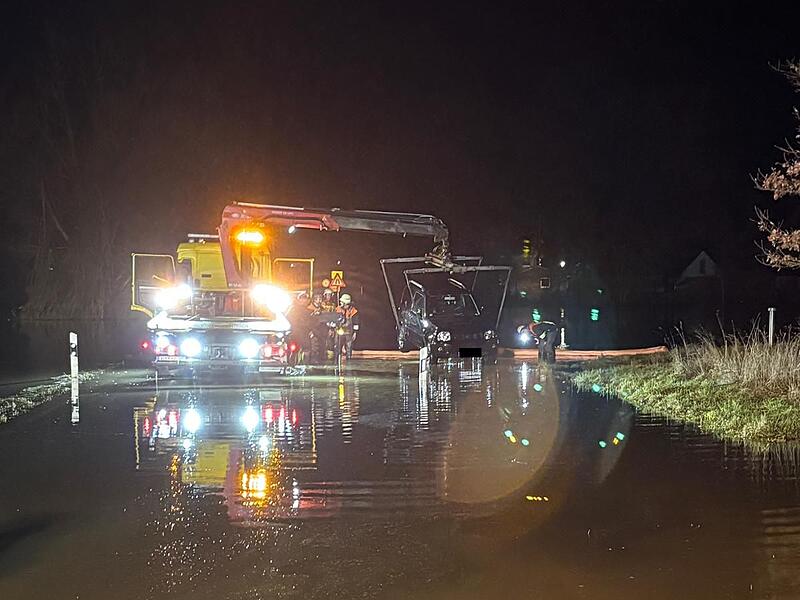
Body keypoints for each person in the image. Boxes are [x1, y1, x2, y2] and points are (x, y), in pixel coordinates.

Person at [334, 293, 360, 360]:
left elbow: (356, 323)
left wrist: (355, 333)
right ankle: (337, 360)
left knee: (349, 346)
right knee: (337, 346)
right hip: (339, 331)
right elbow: (334, 320)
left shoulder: (353, 311)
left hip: (349, 332)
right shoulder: (338, 309)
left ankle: (349, 360)